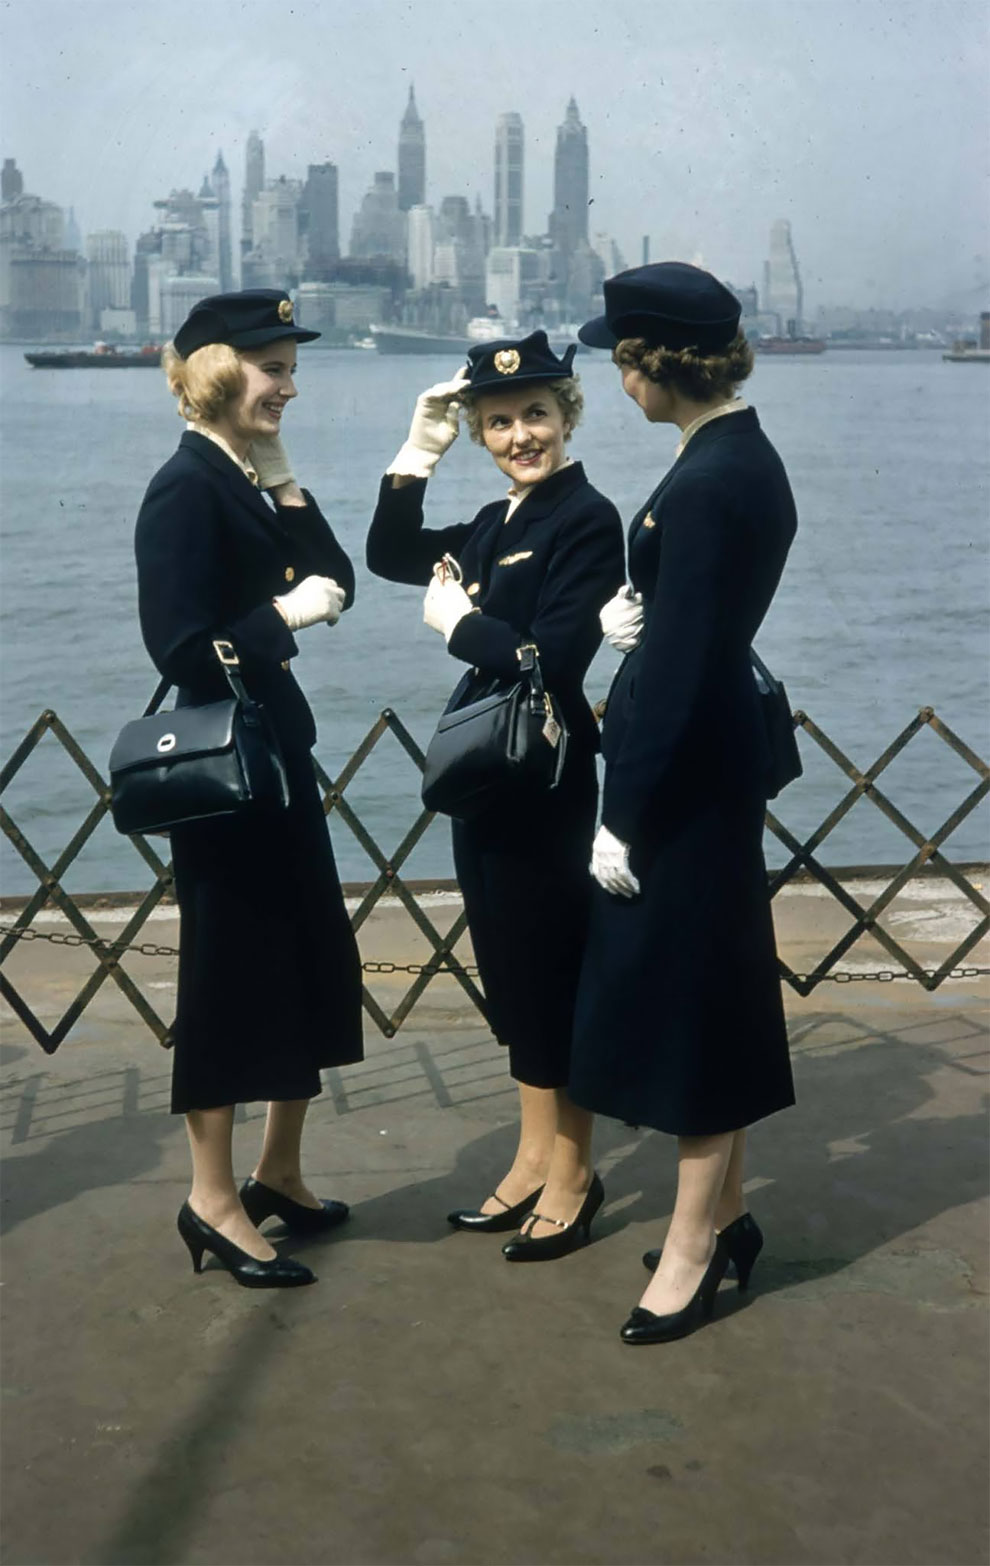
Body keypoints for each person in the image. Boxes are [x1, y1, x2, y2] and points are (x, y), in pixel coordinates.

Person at [568, 263, 797, 1342]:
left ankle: (697, 1249)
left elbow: (685, 665)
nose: (621, 381)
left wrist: (623, 810)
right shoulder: (729, 457)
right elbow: (689, 627)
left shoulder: (708, 480)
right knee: (711, 987)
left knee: (693, 1007)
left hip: (689, 778)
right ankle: (732, 1215)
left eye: (621, 360)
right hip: (713, 765)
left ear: (657, 361)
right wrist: (641, 608)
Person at [367, 331, 624, 1260]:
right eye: (500, 422)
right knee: (510, 975)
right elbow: (392, 554)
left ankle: (574, 1172)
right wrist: (418, 449)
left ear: (569, 416)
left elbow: (554, 659)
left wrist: (460, 622)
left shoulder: (588, 520)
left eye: (537, 416)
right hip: (486, 774)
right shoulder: (495, 522)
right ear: (481, 433)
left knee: (549, 973)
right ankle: (529, 1158)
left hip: (544, 779)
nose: (522, 435)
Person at [135, 289, 363, 1288]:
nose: (290, 384)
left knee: (303, 957)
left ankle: (278, 1173)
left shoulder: (238, 476)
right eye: (274, 366)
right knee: (230, 976)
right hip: (223, 773)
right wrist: (283, 621)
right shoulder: (184, 487)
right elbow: (180, 645)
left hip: (270, 758)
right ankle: (212, 1200)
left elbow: (335, 575)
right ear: (221, 370)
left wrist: (281, 475)